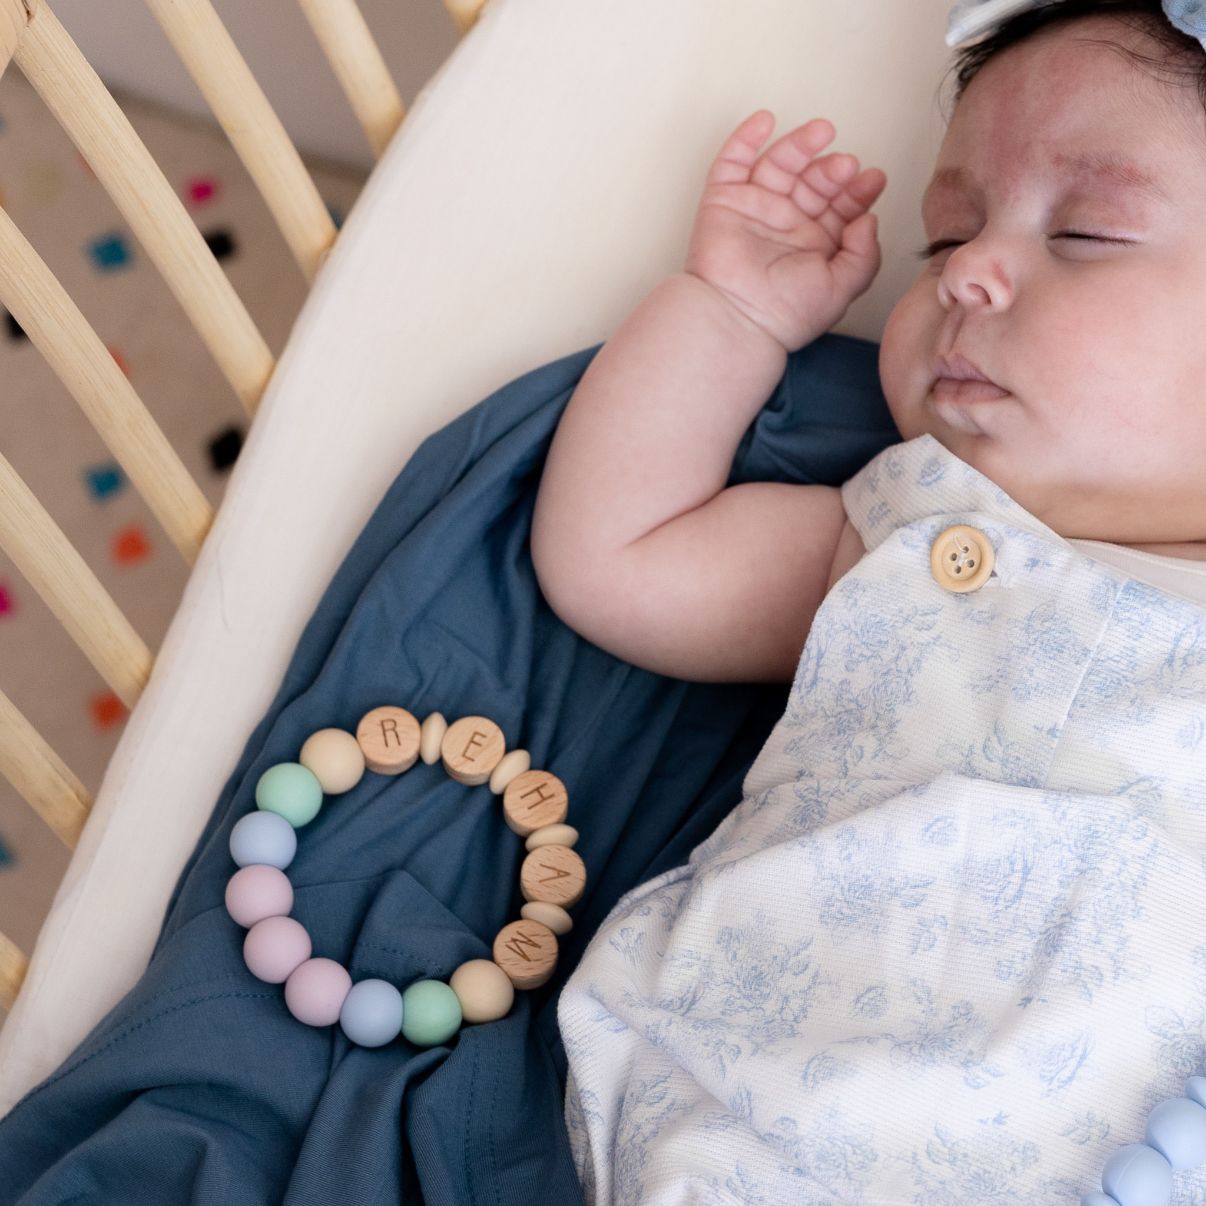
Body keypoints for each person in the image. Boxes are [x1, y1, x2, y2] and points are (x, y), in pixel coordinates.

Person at [530, 1, 1206, 1201]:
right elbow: (619, 558)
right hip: (758, 1127)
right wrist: (732, 312)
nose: (971, 274)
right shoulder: (904, 533)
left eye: (1086, 233)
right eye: (942, 240)